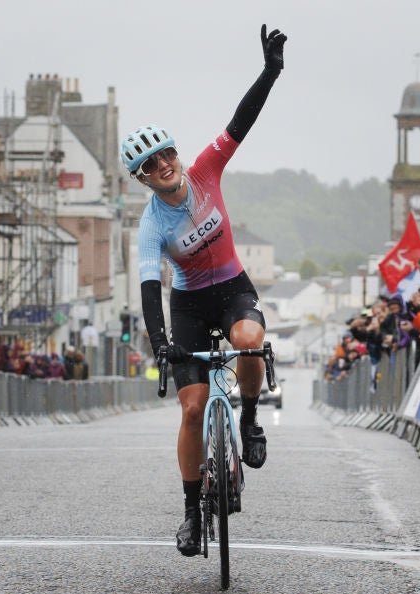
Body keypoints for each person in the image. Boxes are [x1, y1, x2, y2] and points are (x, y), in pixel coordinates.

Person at [128, 24, 286, 557]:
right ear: (143, 179)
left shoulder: (205, 170)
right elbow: (151, 289)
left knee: (248, 339)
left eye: (165, 154)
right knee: (192, 408)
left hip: (234, 287)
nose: (163, 165)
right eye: (150, 165)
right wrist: (161, 345)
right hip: (190, 304)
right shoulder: (151, 227)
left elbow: (240, 122)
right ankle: (192, 516)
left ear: (175, 153)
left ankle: (248, 418)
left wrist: (269, 71)